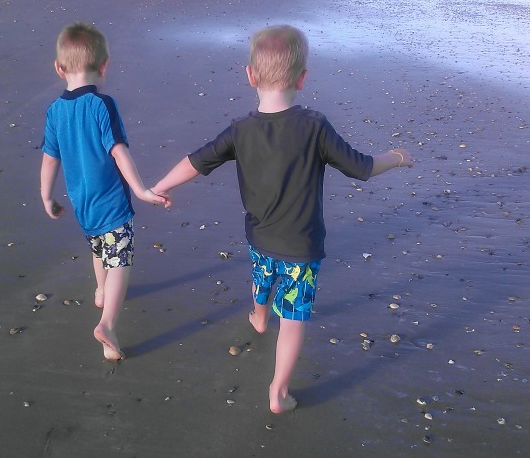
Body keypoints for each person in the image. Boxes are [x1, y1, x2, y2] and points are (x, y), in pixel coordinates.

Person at [151, 25, 413, 413]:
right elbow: (360, 167)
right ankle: (278, 392)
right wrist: (396, 158)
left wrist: (160, 185)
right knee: (292, 319)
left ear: (250, 76)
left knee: (261, 275)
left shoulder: (240, 130)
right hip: (301, 248)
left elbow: (197, 160)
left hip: (259, 235)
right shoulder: (314, 127)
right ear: (303, 79)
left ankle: (258, 318)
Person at [40, 22, 166, 361]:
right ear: (105, 65)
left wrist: (46, 197)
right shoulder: (101, 105)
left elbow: (50, 160)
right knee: (120, 258)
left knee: (99, 248)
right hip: (112, 202)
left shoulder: (55, 111)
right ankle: (107, 323)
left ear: (59, 67)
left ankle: (100, 291)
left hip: (83, 204)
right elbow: (118, 150)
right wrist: (140, 189)